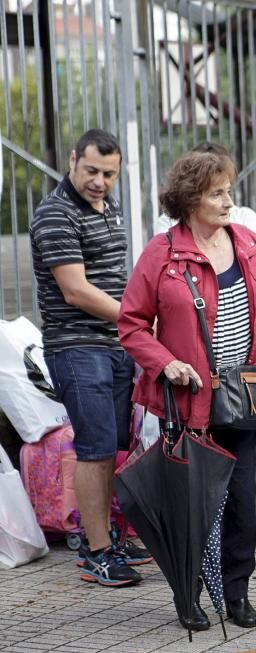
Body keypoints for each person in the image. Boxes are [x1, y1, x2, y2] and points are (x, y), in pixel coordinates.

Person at [118, 150, 256, 630]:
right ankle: (188, 593)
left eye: (229, 191)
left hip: (244, 395)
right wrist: (166, 362)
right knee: (192, 503)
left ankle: (237, 593)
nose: (228, 201)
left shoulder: (251, 245)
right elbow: (131, 325)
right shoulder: (162, 252)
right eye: (217, 193)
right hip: (188, 399)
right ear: (191, 198)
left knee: (239, 500)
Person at [29, 128, 150, 587]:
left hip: (116, 345)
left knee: (113, 447)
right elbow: (76, 290)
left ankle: (107, 537)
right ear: (73, 159)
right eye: (92, 171)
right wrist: (137, 320)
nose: (100, 181)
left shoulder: (108, 206)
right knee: (95, 449)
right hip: (78, 347)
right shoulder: (55, 214)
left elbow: (116, 273)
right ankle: (96, 551)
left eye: (110, 174)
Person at [153, 143, 256, 238]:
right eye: (216, 194)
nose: (229, 203)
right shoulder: (167, 227)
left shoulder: (245, 218)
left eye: (228, 191)